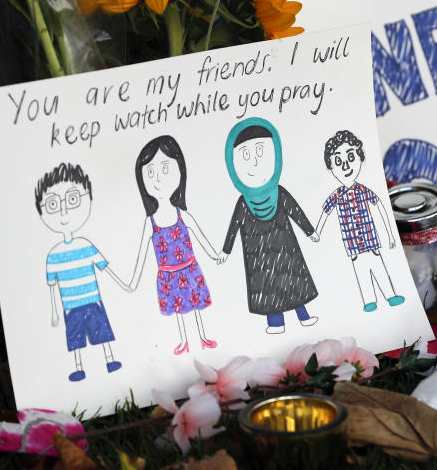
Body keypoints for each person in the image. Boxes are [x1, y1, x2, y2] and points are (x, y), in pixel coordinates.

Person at [220, 118, 319, 334]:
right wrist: (226, 250)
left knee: (293, 278)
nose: (254, 161)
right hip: (258, 254)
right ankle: (275, 323)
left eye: (260, 151)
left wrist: (309, 231)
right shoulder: (243, 202)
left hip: (285, 246)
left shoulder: (279, 193)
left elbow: (295, 211)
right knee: (267, 285)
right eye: (245, 155)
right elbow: (234, 226)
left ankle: (303, 314)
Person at [128, 136, 219, 355]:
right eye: (150, 172)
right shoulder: (150, 222)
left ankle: (202, 336)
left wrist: (215, 255)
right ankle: (184, 340)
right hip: (168, 275)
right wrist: (133, 282)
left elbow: (200, 236)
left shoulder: (182, 214)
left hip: (189, 269)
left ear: (180, 170)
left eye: (165, 168)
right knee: (179, 310)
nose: (157, 179)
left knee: (195, 306)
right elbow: (141, 253)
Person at [36, 163, 126, 382]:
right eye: (53, 204)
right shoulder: (52, 256)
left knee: (101, 332)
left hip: (92, 301)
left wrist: (124, 284)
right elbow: (52, 288)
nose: (64, 211)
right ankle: (78, 367)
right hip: (70, 307)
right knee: (75, 338)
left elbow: (105, 268)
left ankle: (110, 359)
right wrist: (54, 312)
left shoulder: (86, 246)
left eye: (73, 199)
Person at [314, 130, 404, 312]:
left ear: (360, 158)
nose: (346, 165)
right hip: (353, 246)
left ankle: (391, 295)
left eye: (350, 157)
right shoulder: (337, 195)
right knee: (361, 273)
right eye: (338, 161)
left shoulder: (364, 190)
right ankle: (369, 301)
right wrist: (317, 233)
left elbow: (380, 207)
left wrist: (390, 235)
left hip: (371, 242)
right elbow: (325, 211)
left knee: (379, 267)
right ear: (331, 167)